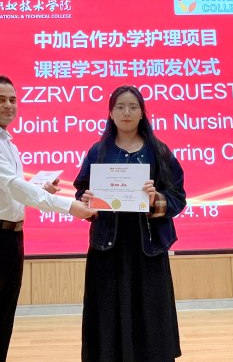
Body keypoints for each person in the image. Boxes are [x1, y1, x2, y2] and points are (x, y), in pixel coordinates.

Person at [0, 75, 96, 362]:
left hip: (11, 239)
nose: (9, 105)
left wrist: (41, 189)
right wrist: (69, 206)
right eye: (0, 99)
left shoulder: (8, 142)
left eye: (13, 99)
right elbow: (12, 185)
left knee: (1, 323)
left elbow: (9, 190)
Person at [74, 85, 187, 362]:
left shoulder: (159, 151)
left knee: (150, 315)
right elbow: (82, 192)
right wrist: (87, 201)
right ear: (110, 113)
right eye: (120, 107)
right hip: (107, 246)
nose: (126, 112)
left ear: (142, 113)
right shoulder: (98, 151)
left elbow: (178, 198)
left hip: (147, 247)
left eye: (133, 107)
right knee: (107, 313)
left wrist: (156, 200)